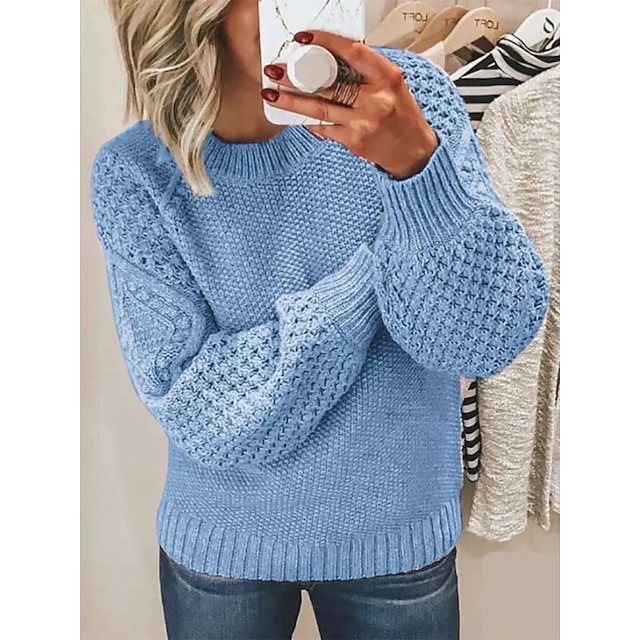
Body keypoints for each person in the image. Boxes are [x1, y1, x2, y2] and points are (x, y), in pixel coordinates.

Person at [90, 1, 550, 638]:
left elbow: (481, 342)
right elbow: (202, 409)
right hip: (224, 544)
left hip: (397, 538)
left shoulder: (412, 102)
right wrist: (370, 278)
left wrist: (417, 169)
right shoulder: (136, 174)